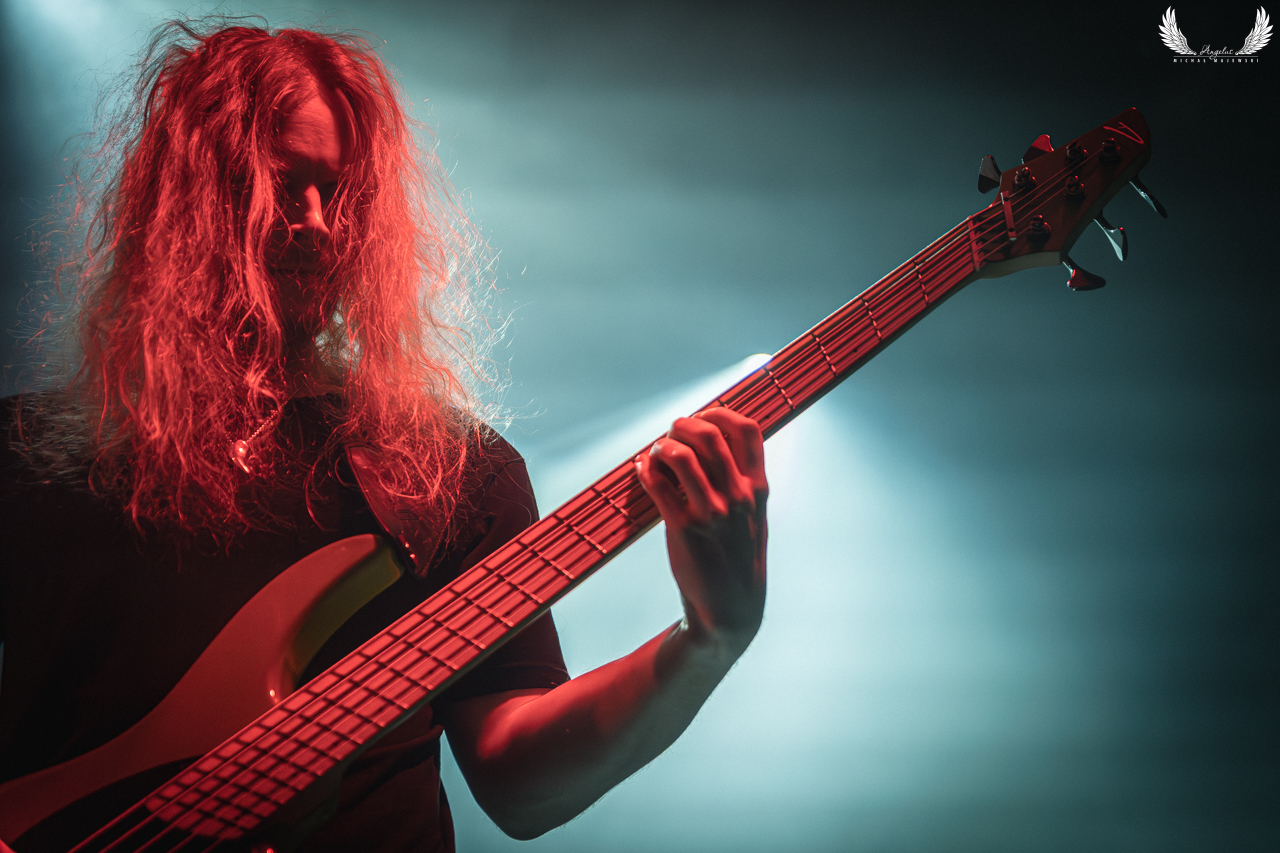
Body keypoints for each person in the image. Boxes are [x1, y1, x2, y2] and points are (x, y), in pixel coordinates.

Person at [0, 20, 768, 852]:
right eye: (279, 184)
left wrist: (705, 641)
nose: (317, 223)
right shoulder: (27, 456)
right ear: (188, 201)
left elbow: (521, 783)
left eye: (339, 193)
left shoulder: (450, 471)